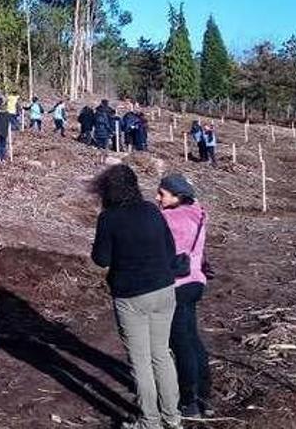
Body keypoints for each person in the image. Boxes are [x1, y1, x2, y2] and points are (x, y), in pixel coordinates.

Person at [90, 164, 182, 429]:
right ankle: (173, 418)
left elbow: (101, 259)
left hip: (131, 296)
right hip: (164, 290)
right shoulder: (152, 211)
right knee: (162, 355)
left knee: (141, 362)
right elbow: (170, 249)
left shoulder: (108, 219)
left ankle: (150, 422)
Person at [156, 174, 213, 419]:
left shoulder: (170, 219)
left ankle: (188, 401)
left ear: (178, 196)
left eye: (162, 193)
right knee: (192, 338)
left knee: (181, 344)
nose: (157, 197)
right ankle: (204, 394)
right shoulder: (197, 213)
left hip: (177, 285)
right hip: (196, 282)